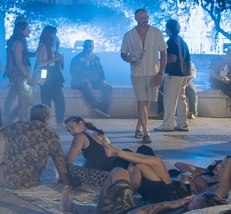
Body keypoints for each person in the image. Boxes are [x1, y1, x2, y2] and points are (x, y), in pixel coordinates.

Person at [118, 9, 164, 141]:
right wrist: (127, 59)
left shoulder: (156, 33)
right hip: (137, 73)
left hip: (153, 72)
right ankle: (146, 132)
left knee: (146, 102)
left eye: (146, 17)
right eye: (142, 17)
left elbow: (164, 54)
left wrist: (160, 73)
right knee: (141, 102)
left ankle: (139, 127)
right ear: (136, 18)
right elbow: (123, 53)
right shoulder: (129, 35)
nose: (145, 20)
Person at [0, 104, 65, 191]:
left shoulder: (19, 126)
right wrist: (66, 183)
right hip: (29, 182)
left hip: (6, 179)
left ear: (31, 116)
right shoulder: (51, 135)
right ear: (47, 119)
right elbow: (60, 162)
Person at [159, 18, 194, 132]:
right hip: (184, 74)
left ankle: (168, 124)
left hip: (174, 74)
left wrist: (161, 60)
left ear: (168, 29)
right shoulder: (182, 41)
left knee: (169, 100)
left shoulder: (170, 42)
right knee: (181, 100)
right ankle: (182, 124)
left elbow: (173, 58)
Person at [2, 17, 34, 125]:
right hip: (21, 73)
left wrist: (34, 54)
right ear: (22, 29)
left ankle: (8, 116)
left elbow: (22, 56)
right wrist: (27, 75)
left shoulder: (18, 41)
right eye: (27, 28)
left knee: (15, 95)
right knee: (25, 98)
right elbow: (18, 61)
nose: (29, 30)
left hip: (20, 73)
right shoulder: (18, 42)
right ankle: (20, 118)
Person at [69, 39, 112, 117]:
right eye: (88, 46)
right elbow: (73, 72)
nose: (90, 48)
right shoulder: (77, 58)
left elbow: (100, 70)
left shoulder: (96, 58)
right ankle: (96, 106)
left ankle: (102, 109)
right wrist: (81, 78)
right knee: (86, 84)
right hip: (79, 82)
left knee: (109, 88)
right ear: (84, 47)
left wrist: (103, 80)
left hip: (94, 81)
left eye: (92, 46)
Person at [34, 25, 67, 123]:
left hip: (54, 75)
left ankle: (57, 121)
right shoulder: (43, 46)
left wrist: (57, 49)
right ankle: (45, 121)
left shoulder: (50, 46)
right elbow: (40, 63)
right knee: (47, 99)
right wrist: (55, 59)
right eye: (54, 34)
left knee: (58, 100)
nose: (55, 36)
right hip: (46, 74)